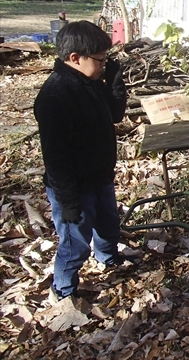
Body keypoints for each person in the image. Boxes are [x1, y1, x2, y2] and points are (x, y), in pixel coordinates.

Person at [34, 21, 127, 300]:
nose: (103, 65)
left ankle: (109, 259)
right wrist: (69, 202)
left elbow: (115, 114)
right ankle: (63, 289)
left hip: (99, 177)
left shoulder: (90, 83)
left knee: (109, 225)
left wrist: (113, 81)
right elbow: (56, 158)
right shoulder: (55, 97)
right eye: (100, 60)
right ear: (75, 58)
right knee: (75, 244)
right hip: (73, 188)